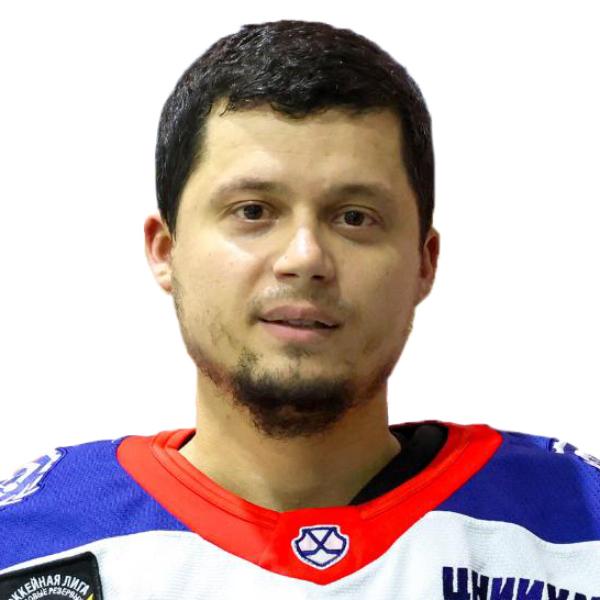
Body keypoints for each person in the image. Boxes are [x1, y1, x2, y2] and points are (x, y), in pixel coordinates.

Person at [1, 19, 599, 599]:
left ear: (425, 262)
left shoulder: (579, 525)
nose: (305, 257)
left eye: (355, 217)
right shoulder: (26, 549)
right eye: (253, 211)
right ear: (165, 250)